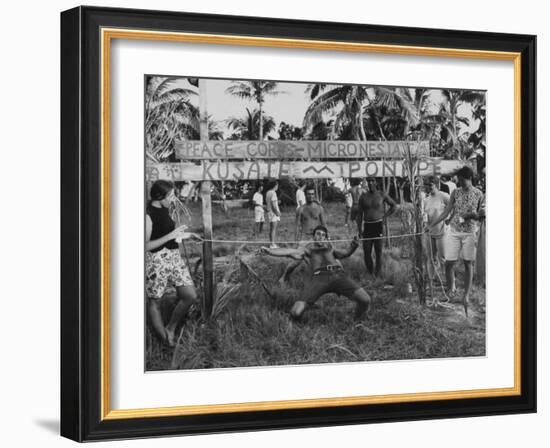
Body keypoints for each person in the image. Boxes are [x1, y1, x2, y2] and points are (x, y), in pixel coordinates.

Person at [261, 225, 371, 320]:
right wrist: (270, 251)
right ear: (313, 236)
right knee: (295, 312)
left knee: (365, 300)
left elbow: (346, 253)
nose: (321, 237)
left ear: (326, 238)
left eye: (323, 235)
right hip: (318, 279)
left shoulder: (331, 250)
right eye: (318, 234)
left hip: (338, 276)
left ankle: (357, 322)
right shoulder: (308, 251)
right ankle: (310, 305)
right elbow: (289, 252)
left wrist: (354, 246)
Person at [145, 180, 201, 346]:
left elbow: (168, 233)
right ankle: (165, 340)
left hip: (174, 257)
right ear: (159, 196)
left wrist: (188, 235)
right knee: (155, 301)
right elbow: (145, 246)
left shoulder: (165, 209)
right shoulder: (147, 216)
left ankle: (171, 327)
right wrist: (170, 236)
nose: (173, 198)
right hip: (157, 260)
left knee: (190, 296)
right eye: (170, 195)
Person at [429, 166, 485, 315]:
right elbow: (446, 212)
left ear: (469, 178)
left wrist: (471, 215)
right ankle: (450, 289)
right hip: (454, 231)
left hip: (469, 232)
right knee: (449, 263)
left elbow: (481, 216)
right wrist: (432, 224)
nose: (460, 183)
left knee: (468, 263)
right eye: (458, 180)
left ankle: (465, 295)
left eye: (462, 180)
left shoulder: (479, 194)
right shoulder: (455, 192)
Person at [357, 177, 397, 277]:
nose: (370, 183)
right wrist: (359, 229)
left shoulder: (381, 194)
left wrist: (385, 217)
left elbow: (394, 205)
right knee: (367, 252)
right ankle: (370, 273)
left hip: (378, 225)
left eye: (372, 181)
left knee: (378, 251)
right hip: (367, 226)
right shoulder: (363, 197)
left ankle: (377, 274)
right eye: (368, 181)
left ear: (375, 182)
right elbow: (359, 214)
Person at [422, 176, 450, 286]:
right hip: (429, 232)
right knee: (431, 258)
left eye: (431, 185)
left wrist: (449, 220)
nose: (428, 187)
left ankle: (447, 281)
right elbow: (425, 214)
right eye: (427, 185)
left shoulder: (443, 196)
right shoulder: (426, 199)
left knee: (443, 258)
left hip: (441, 231)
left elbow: (454, 206)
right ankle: (431, 280)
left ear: (436, 185)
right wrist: (424, 223)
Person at [265, 179, 281, 248]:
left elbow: (269, 202)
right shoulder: (273, 193)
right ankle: (273, 244)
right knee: (273, 229)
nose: (278, 186)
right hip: (273, 212)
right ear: (275, 185)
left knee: (271, 228)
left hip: (269, 212)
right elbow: (273, 205)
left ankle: (271, 243)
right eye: (277, 185)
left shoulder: (268, 192)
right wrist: (277, 212)